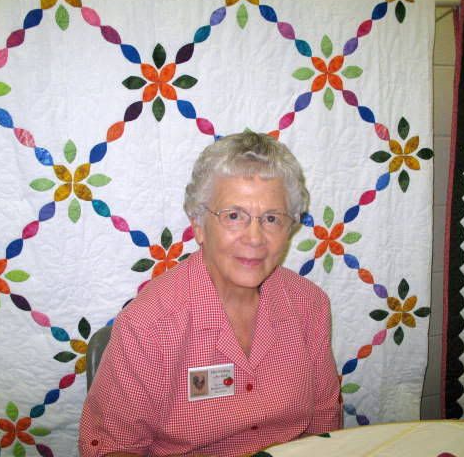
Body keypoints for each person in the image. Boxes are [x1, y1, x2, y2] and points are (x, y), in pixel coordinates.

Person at [79, 132, 341, 456]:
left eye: (271, 218)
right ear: (199, 224)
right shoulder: (147, 326)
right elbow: (113, 447)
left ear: (289, 229)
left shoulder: (309, 306)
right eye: (234, 216)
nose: (255, 238)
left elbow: (324, 424)